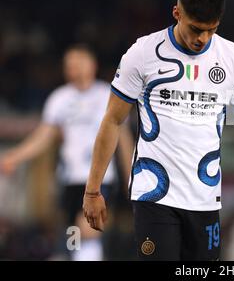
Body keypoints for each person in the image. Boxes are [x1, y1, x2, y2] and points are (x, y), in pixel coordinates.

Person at [83, 0, 234, 261]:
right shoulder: (142, 53)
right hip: (155, 195)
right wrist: (92, 191)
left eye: (211, 30)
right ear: (177, 13)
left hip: (205, 198)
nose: (202, 39)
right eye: (195, 29)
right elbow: (112, 120)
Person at [0, 44, 134, 261]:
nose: (73, 69)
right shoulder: (60, 99)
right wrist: (15, 156)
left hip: (100, 178)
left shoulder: (107, 96)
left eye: (78, 63)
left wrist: (132, 177)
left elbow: (124, 139)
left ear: (92, 65)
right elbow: (44, 135)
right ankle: (72, 256)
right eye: (69, 65)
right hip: (70, 178)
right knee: (74, 234)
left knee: (88, 227)